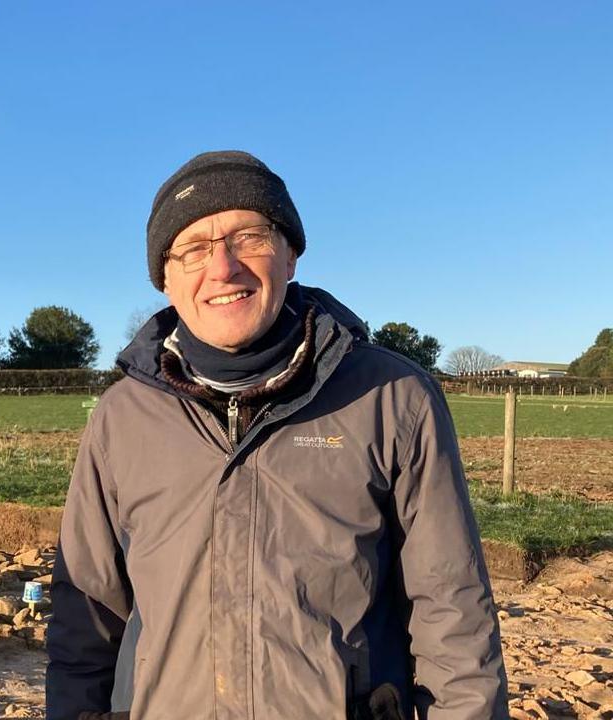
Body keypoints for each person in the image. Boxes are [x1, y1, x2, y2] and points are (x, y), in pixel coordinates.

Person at [45, 151, 507, 719]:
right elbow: (85, 615)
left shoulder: (394, 398)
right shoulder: (122, 417)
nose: (222, 268)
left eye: (249, 237)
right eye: (192, 249)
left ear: (291, 254)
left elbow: (453, 612)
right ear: (165, 279)